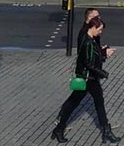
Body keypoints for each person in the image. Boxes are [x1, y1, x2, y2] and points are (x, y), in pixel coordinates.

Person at [51, 15, 120, 143]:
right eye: (99, 30)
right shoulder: (87, 41)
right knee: (89, 103)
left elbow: (94, 55)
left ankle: (60, 128)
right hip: (89, 78)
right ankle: (106, 131)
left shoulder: (89, 39)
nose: (100, 32)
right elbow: (88, 63)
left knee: (78, 102)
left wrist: (104, 53)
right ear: (93, 27)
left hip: (88, 77)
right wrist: (102, 73)